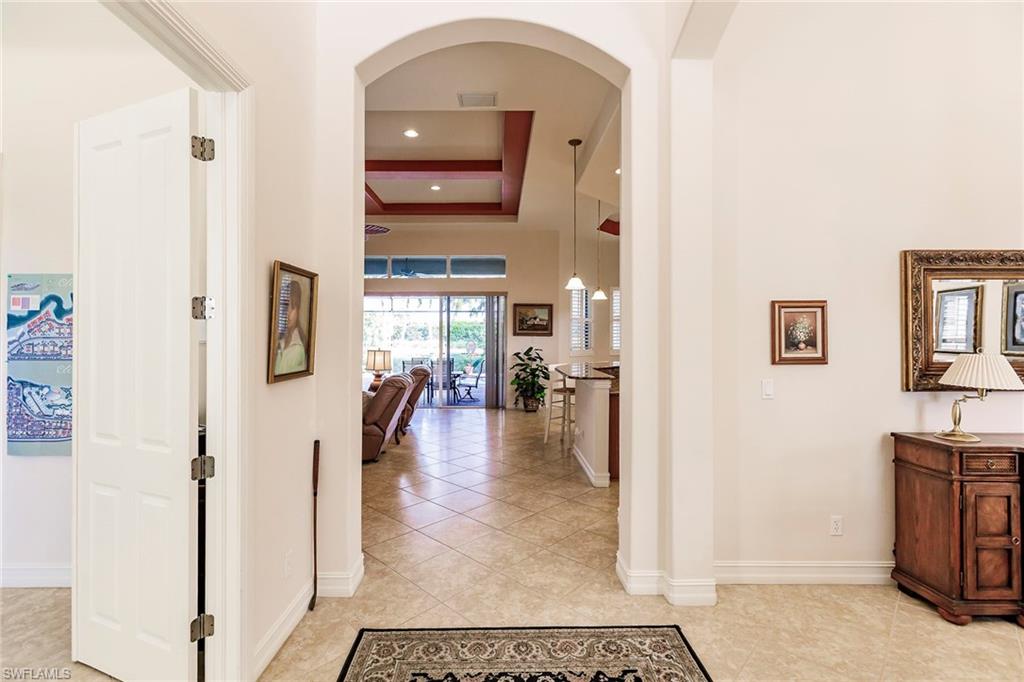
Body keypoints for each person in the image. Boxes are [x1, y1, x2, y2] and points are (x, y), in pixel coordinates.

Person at [274, 279, 307, 375]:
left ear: (298, 309)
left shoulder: (299, 347)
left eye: (292, 308)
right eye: (284, 308)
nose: (287, 314)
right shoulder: (278, 341)